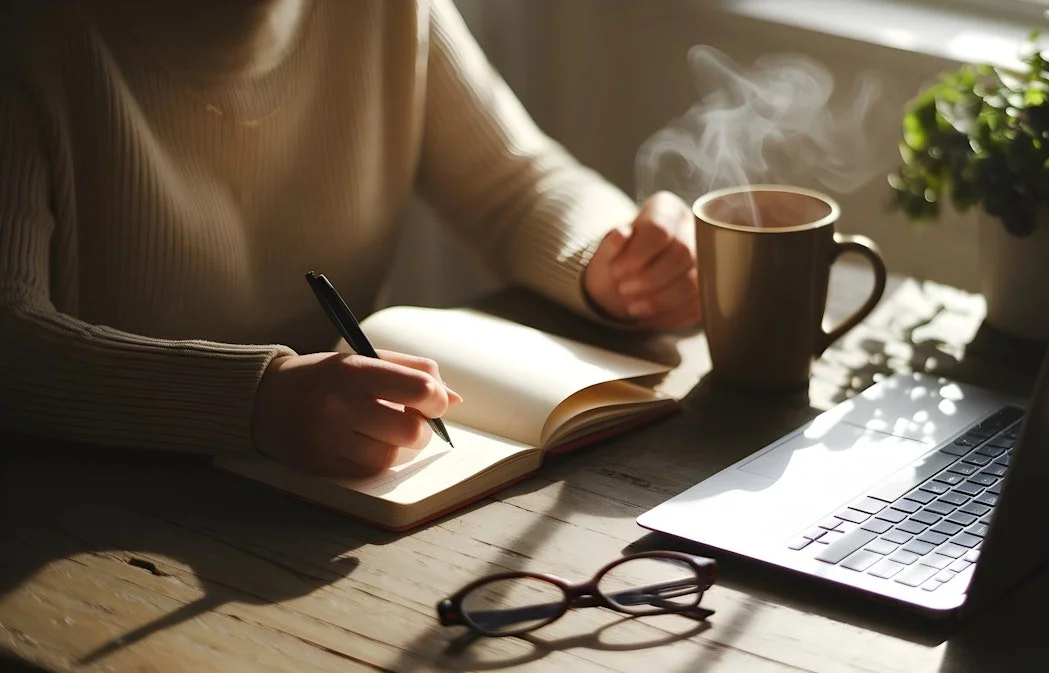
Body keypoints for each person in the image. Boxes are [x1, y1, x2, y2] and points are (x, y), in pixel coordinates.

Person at [0, 0, 700, 478]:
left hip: (340, 485)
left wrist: (616, 260)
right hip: (90, 510)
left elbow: (515, 183)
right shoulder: (30, 37)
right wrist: (254, 400)